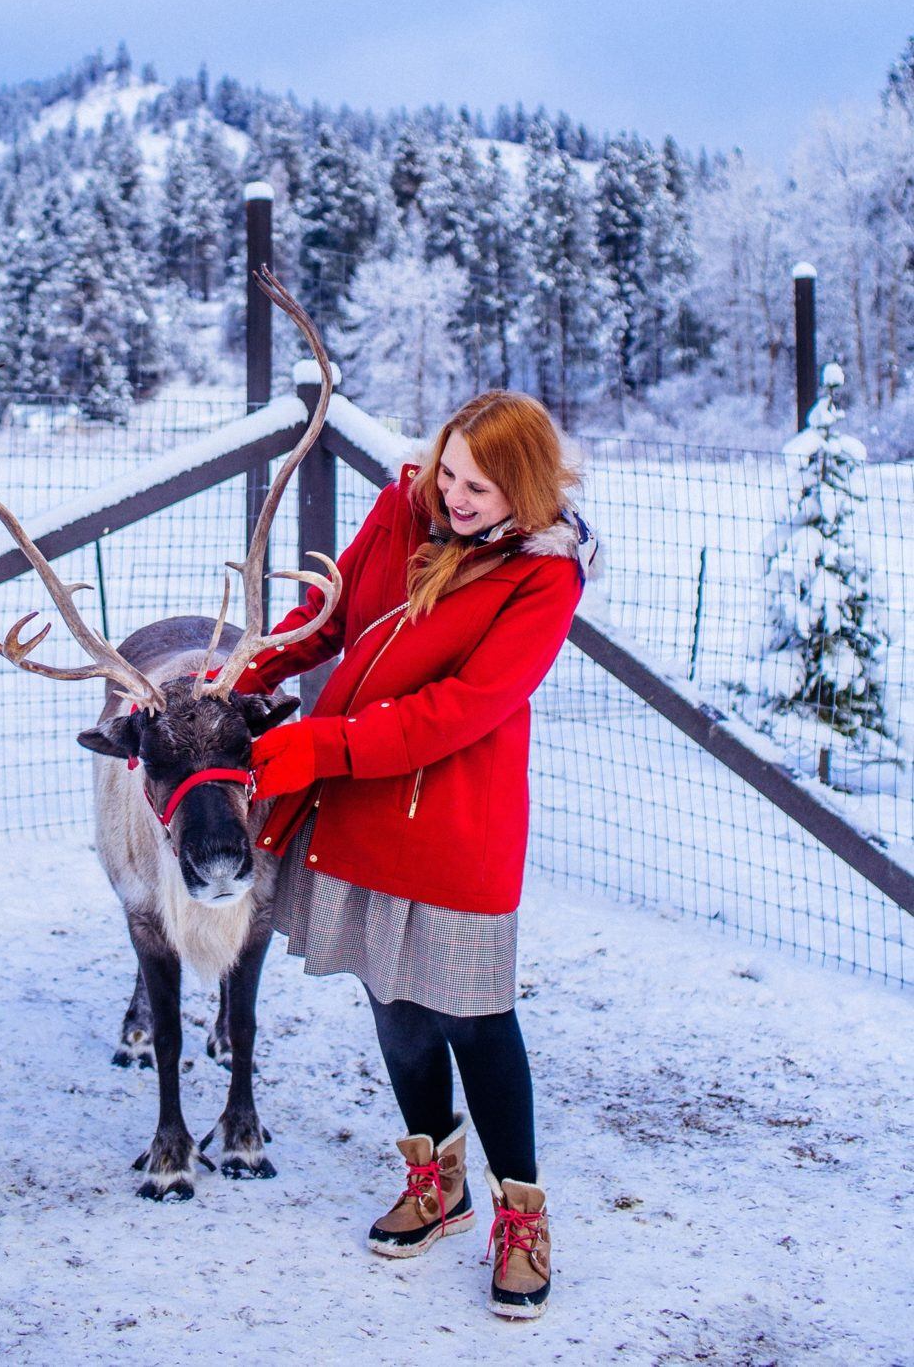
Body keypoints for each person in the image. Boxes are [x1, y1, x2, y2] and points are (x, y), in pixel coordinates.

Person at [232, 390, 598, 1320]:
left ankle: (520, 1213)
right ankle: (437, 1178)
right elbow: (334, 613)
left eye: (480, 485)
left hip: (455, 821)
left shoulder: (542, 580)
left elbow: (460, 709)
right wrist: (255, 665)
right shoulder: (406, 507)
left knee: (474, 1017)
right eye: (449, 472)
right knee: (394, 1003)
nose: (456, 497)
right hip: (362, 804)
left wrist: (323, 746)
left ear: (524, 488)